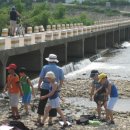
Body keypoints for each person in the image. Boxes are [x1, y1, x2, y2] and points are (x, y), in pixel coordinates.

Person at [37, 54, 64, 125]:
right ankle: (50, 119)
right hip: (54, 88)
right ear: (55, 61)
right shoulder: (60, 69)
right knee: (53, 105)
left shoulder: (45, 67)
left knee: (42, 102)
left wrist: (39, 86)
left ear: (49, 61)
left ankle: (39, 117)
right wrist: (59, 87)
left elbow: (41, 78)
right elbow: (61, 80)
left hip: (45, 86)